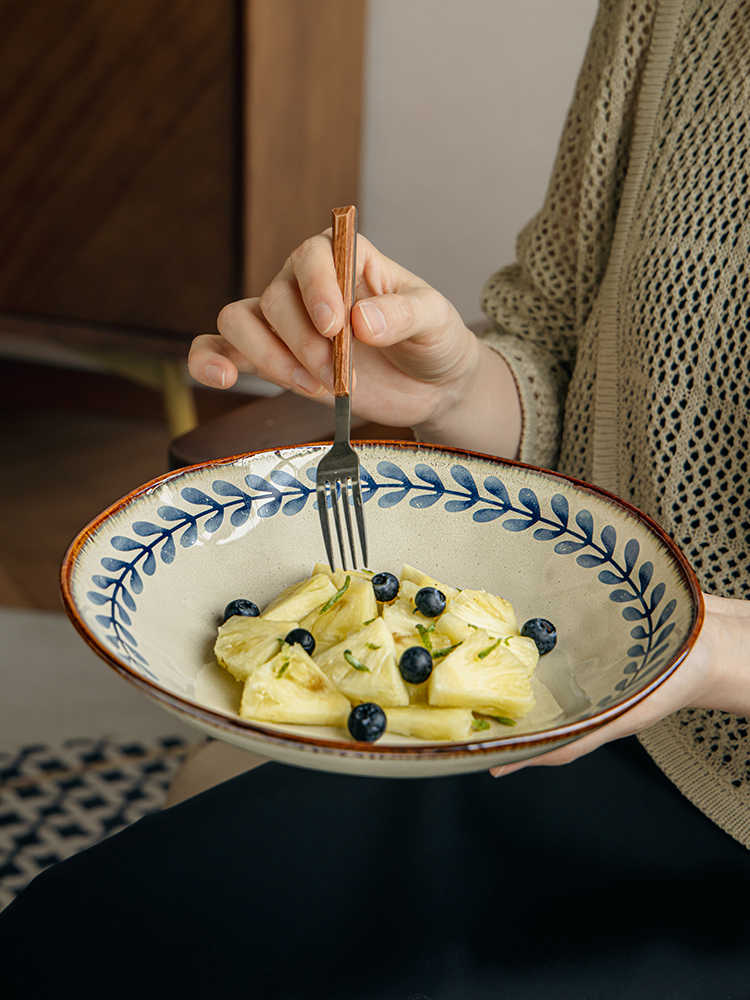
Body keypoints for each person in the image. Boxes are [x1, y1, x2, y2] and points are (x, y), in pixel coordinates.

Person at [2, 1, 748, 996]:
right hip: (588, 713)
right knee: (58, 948)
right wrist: (458, 387)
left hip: (711, 813)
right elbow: (571, 367)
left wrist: (711, 650)